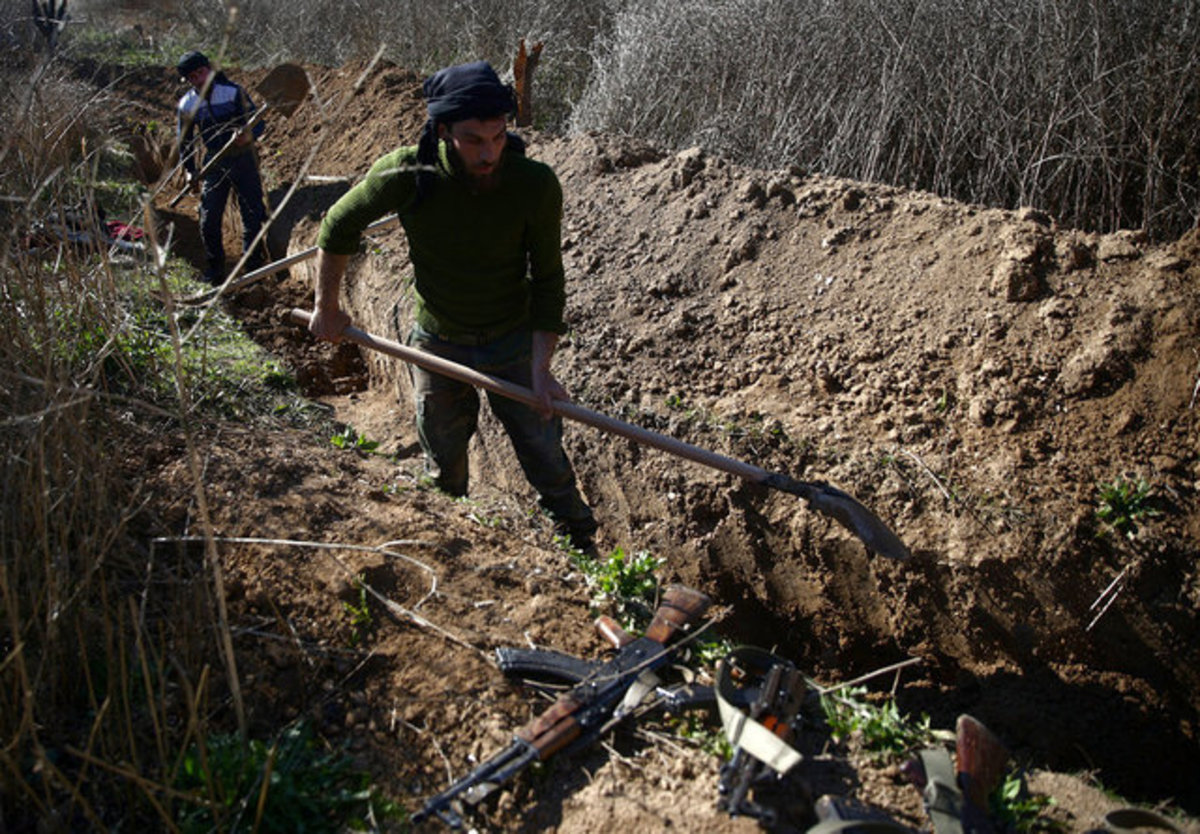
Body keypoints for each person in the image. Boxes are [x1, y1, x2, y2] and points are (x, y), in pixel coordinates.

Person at [308, 60, 599, 549]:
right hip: (438, 345)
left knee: (545, 456)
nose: (489, 154)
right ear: (442, 131)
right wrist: (327, 306)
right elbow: (338, 225)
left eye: (498, 137)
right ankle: (453, 549)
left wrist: (541, 367)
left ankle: (581, 544)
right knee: (443, 465)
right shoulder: (407, 173)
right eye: (473, 140)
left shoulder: (534, 185)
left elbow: (548, 279)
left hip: (510, 340)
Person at [175, 50, 268, 284]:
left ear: (209, 69)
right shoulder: (187, 105)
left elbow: (258, 123)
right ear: (188, 80)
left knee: (252, 215)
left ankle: (253, 270)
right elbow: (184, 142)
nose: (200, 79)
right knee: (209, 218)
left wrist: (247, 136)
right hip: (215, 162)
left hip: (244, 159)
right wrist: (189, 170)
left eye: (202, 72)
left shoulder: (233, 92)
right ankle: (215, 270)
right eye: (193, 77)